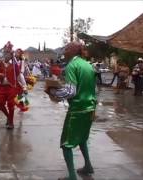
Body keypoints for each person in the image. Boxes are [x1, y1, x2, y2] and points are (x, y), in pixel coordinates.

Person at [45, 42, 96, 180]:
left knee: (66, 144)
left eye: (66, 49)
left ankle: (72, 176)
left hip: (77, 109)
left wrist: (53, 92)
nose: (64, 51)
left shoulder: (72, 66)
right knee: (82, 139)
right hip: (90, 107)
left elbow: (70, 91)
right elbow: (90, 88)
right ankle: (88, 166)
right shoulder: (88, 65)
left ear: (73, 50)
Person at [0, 42, 27, 129]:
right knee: (0, 103)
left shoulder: (15, 64)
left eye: (7, 53)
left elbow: (20, 75)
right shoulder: (1, 63)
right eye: (4, 53)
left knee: (11, 104)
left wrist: (24, 86)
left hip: (12, 87)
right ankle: (8, 117)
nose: (5, 55)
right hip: (2, 87)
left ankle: (11, 122)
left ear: (11, 54)